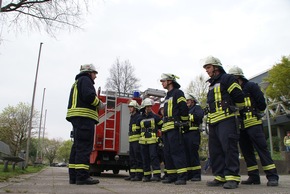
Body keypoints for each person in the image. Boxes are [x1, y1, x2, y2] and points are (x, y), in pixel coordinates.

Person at [229, 66, 279, 186]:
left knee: (262, 150)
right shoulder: (233, 91)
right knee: (247, 152)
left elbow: (262, 104)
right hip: (241, 126)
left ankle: (272, 176)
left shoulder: (251, 86)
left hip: (254, 123)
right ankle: (254, 177)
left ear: (237, 76)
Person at [202, 56, 245, 189]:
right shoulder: (211, 85)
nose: (206, 71)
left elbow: (239, 97)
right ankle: (220, 176)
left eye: (208, 67)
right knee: (215, 151)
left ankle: (232, 177)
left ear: (216, 67)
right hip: (213, 122)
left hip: (227, 119)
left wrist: (232, 109)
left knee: (229, 148)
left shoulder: (227, 79)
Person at [66, 64, 104, 185]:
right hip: (84, 117)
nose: (95, 76)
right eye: (94, 73)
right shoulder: (86, 80)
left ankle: (74, 176)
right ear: (89, 72)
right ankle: (82, 177)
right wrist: (99, 103)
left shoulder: (77, 82)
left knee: (77, 147)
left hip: (77, 117)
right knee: (84, 147)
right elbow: (89, 96)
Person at [160, 73, 189, 185]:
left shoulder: (178, 93)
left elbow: (183, 108)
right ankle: (172, 175)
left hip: (174, 127)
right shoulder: (167, 96)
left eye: (163, 81)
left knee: (177, 152)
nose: (162, 83)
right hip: (166, 128)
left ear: (170, 81)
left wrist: (183, 121)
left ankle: (182, 176)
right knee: (167, 153)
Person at [139, 98, 163, 182]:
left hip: (152, 141)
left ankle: (156, 176)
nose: (149, 108)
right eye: (147, 107)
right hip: (142, 141)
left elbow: (161, 125)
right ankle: (147, 176)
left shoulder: (155, 117)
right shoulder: (140, 118)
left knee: (153, 157)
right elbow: (138, 129)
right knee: (145, 158)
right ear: (144, 107)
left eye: (150, 106)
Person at [184, 93, 204, 181]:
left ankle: (196, 175)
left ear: (192, 101)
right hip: (185, 134)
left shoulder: (197, 108)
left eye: (188, 101)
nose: (187, 102)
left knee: (193, 154)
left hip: (193, 133)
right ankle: (189, 174)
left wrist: (187, 117)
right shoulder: (186, 110)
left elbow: (199, 116)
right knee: (187, 154)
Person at [124, 100, 143, 181]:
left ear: (135, 108)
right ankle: (132, 175)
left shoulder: (138, 117)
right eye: (129, 107)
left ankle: (138, 175)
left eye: (131, 107)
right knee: (132, 158)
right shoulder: (132, 117)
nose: (130, 109)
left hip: (137, 141)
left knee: (137, 157)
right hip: (132, 140)